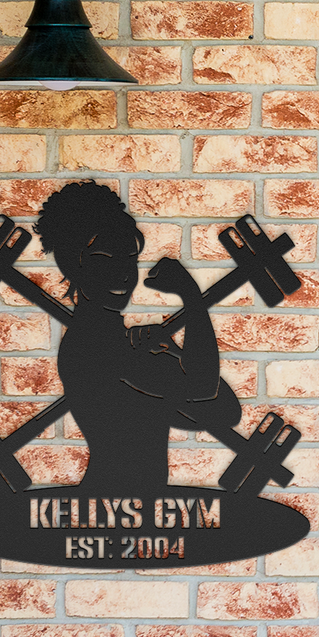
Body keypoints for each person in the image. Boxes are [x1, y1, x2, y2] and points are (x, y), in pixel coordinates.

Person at [35, 182, 241, 490]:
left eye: (129, 257)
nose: (123, 273)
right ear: (72, 265)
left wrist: (173, 354)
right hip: (107, 506)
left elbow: (223, 413)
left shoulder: (123, 344)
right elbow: (201, 386)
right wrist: (191, 296)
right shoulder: (94, 347)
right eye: (105, 258)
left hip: (138, 513)